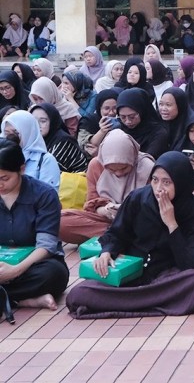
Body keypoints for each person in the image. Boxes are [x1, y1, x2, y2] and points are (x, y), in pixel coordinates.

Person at [65, 152, 194, 319]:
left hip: (166, 277)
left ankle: (124, 302)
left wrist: (172, 224)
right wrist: (107, 251)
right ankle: (151, 302)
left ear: (180, 183)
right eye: (155, 180)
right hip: (132, 274)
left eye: (167, 182)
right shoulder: (138, 198)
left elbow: (191, 264)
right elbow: (117, 233)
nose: (159, 188)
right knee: (78, 294)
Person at [0, 139, 69, 315]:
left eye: (4, 178)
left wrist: (15, 270)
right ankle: (22, 300)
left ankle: (8, 298)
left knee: (54, 274)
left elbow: (46, 246)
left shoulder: (44, 194)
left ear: (22, 169)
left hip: (35, 264)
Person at [58, 129, 155, 244]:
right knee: (60, 221)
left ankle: (116, 237)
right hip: (107, 221)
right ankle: (119, 236)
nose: (118, 173)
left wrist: (126, 210)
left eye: (124, 168)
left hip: (137, 221)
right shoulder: (96, 165)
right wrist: (105, 210)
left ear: (132, 159)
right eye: (111, 169)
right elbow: (92, 202)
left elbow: (153, 207)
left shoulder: (147, 167)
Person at [1, 110, 62, 190]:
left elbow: (49, 196)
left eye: (16, 132)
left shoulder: (45, 160)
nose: (11, 137)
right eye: (7, 133)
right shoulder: (2, 155)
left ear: (28, 133)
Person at [29, 103, 88, 174]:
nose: (37, 125)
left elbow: (49, 170)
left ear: (52, 121)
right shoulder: (35, 140)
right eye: (34, 121)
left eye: (43, 121)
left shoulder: (64, 141)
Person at [116, 88, 168, 159]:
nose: (128, 121)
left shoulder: (158, 133)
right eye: (123, 117)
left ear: (142, 112)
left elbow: (148, 159)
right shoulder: (118, 129)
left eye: (132, 116)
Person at [158, 88, 191, 153]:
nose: (163, 109)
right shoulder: (156, 121)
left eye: (168, 105)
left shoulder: (190, 126)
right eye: (161, 104)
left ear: (180, 106)